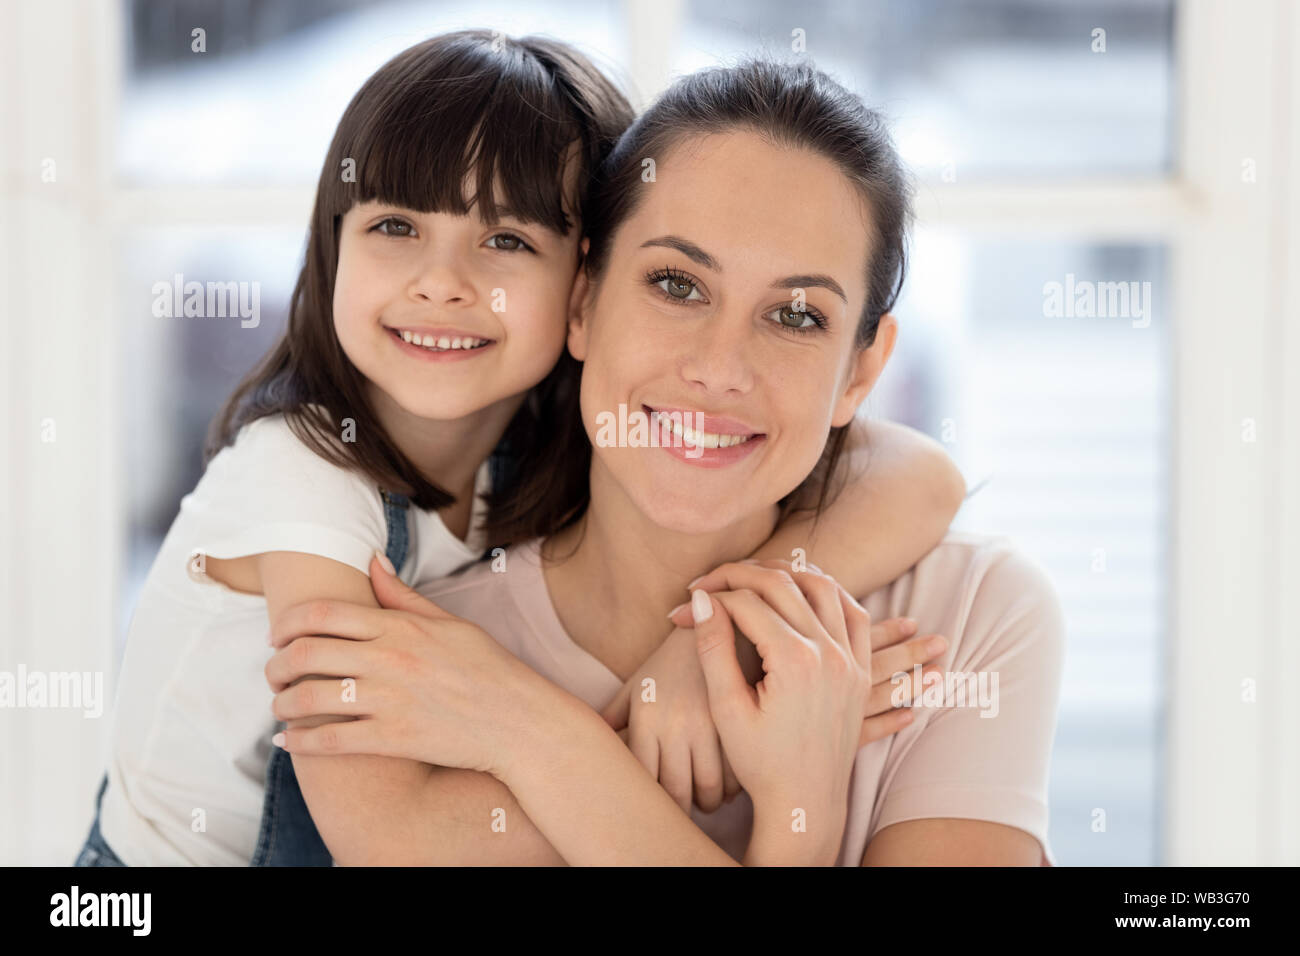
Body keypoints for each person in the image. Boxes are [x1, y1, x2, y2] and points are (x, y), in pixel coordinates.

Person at [76, 35, 964, 867]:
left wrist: (704, 649)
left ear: (582, 290)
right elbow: (395, 839)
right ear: (331, 242)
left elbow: (921, 477)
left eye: (505, 240)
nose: (443, 281)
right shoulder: (306, 483)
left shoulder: (550, 433)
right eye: (395, 226)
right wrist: (723, 741)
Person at [265, 58, 1065, 865]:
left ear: (860, 372)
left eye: (795, 314)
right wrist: (799, 813)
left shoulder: (966, 620)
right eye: (677, 285)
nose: (722, 367)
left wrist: (536, 729)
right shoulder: (428, 663)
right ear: (582, 303)